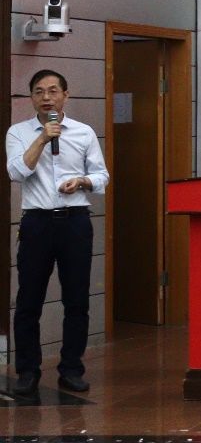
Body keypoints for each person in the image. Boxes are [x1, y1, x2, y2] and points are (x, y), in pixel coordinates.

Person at [5, 69, 110, 396]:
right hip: (36, 223)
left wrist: (82, 181)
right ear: (31, 98)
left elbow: (102, 175)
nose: (46, 97)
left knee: (76, 299)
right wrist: (42, 139)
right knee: (29, 300)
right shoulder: (18, 132)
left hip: (75, 221)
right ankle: (27, 371)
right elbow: (16, 172)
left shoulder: (83, 132)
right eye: (39, 91)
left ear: (66, 95)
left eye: (53, 91)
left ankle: (71, 369)